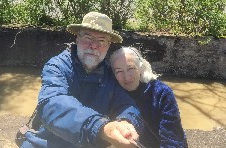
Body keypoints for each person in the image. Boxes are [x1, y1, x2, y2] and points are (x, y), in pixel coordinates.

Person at [20, 12, 144, 148]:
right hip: (48, 142)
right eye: (88, 37)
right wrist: (101, 128)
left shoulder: (110, 74)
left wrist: (126, 122)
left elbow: (126, 104)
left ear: (108, 45)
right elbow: (52, 103)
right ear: (77, 39)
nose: (94, 45)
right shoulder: (57, 66)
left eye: (101, 41)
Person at [110, 47, 188, 148]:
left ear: (140, 68)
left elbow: (172, 138)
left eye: (131, 68)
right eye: (119, 71)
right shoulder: (113, 95)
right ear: (114, 75)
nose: (127, 77)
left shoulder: (161, 92)